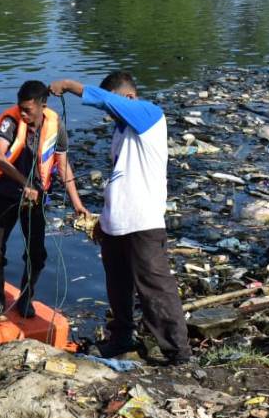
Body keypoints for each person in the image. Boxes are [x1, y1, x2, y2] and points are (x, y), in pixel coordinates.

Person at [49, 72, 191, 365]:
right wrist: (103, 221)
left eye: (116, 106)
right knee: (118, 286)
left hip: (144, 222)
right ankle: (122, 338)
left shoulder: (150, 116)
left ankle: (178, 352)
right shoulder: (121, 132)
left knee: (155, 287)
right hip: (116, 223)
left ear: (128, 98)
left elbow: (104, 101)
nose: (112, 114)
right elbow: (121, 178)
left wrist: (69, 86)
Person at [0, 80, 89, 317]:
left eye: (28, 110)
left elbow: (63, 166)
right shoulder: (10, 122)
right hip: (3, 195)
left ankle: (27, 296)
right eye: (21, 108)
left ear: (42, 106)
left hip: (35, 199)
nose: (23, 114)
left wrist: (78, 204)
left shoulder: (56, 127)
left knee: (36, 253)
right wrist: (23, 182)